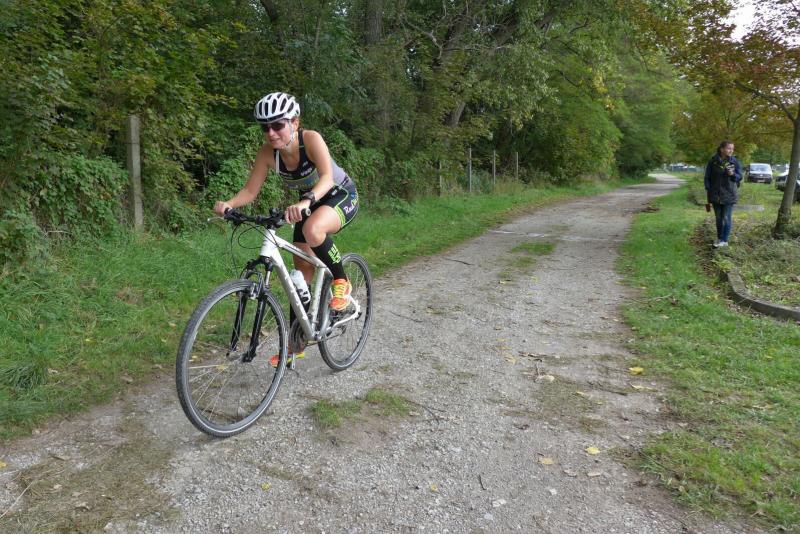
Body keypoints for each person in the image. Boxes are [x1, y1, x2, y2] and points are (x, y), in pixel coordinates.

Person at [214, 92, 360, 365]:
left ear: (294, 122)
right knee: (298, 279)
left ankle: (341, 281)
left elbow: (327, 178)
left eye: (278, 125)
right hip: (307, 204)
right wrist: (229, 204)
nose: (271, 132)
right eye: (265, 127)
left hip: (339, 194)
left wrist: (307, 201)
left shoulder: (311, 139)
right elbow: (250, 190)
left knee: (313, 230)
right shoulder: (267, 153)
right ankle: (296, 346)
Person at [704, 140, 741, 248]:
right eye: (729, 148)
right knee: (718, 218)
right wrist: (708, 189)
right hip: (715, 194)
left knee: (726, 218)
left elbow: (739, 176)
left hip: (729, 194)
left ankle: (724, 240)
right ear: (722, 149)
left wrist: (732, 174)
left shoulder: (735, 162)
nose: (731, 151)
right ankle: (720, 238)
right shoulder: (713, 162)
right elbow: (707, 177)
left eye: (732, 149)